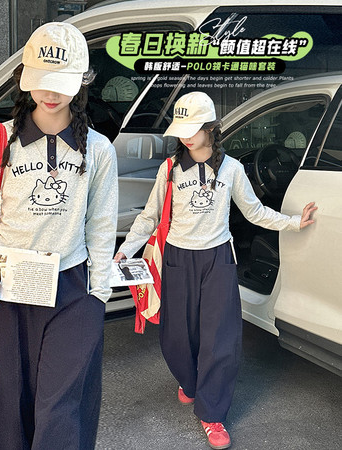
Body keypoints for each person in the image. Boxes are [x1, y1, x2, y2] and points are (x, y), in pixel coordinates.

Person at [114, 91, 316, 449]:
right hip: (177, 259)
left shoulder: (232, 169)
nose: (186, 137)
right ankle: (190, 381)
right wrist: (125, 250)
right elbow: (149, 216)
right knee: (177, 337)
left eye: (193, 129)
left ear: (210, 128)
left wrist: (293, 223)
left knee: (221, 338)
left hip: (218, 259)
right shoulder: (170, 169)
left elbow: (254, 212)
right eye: (181, 130)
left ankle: (213, 413)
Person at [0, 22, 118, 450]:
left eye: (61, 83)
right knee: (11, 400)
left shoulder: (98, 149)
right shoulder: (0, 140)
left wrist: (99, 292)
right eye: (42, 81)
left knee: (62, 404)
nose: (50, 93)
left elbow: (102, 225)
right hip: (10, 288)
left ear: (82, 81)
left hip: (73, 287)